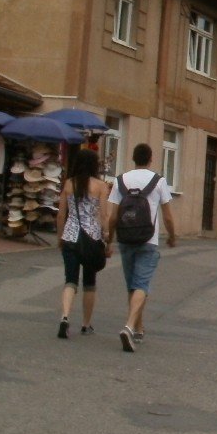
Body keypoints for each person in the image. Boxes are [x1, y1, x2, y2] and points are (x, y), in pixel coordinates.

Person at [105, 143, 176, 353]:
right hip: (148, 240)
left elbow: (113, 217)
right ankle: (128, 326)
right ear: (150, 159)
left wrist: (109, 240)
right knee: (141, 285)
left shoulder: (120, 180)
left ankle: (138, 328)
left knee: (133, 286)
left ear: (133, 159)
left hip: (126, 239)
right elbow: (168, 216)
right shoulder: (159, 181)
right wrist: (172, 236)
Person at [54, 148, 110, 339]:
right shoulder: (101, 186)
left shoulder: (69, 184)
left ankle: (64, 316)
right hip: (91, 238)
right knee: (89, 282)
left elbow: (61, 214)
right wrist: (107, 237)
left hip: (70, 236)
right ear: (95, 165)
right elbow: (103, 215)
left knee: (70, 280)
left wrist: (60, 237)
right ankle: (86, 324)